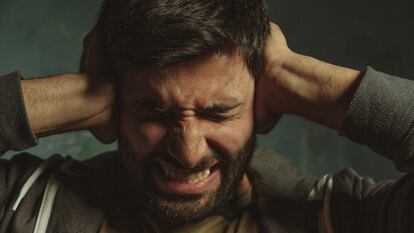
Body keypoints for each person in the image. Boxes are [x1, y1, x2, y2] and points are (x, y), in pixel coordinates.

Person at [0, 0, 413, 232]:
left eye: (219, 113)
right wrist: (79, 95)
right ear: (115, 106)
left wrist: (294, 75)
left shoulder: (345, 218)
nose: (187, 152)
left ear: (262, 106)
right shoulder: (23, 205)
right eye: (154, 111)